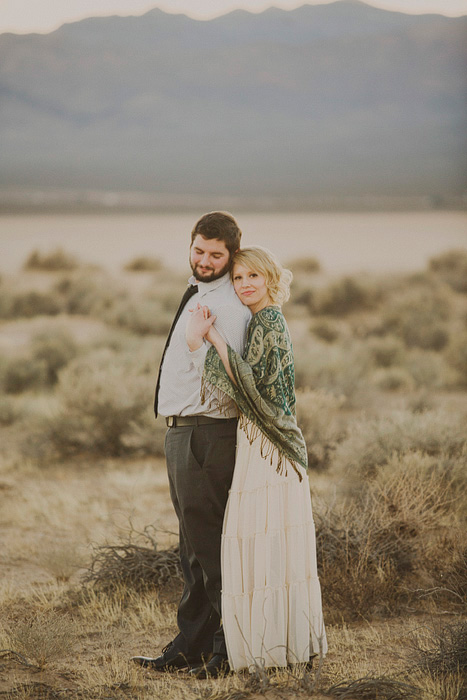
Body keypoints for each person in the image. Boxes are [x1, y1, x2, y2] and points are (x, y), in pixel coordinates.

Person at [186, 246, 327, 674]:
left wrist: (207, 341)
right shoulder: (263, 321)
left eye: (254, 277)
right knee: (261, 544)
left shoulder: (270, 321)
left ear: (270, 280)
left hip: (270, 446)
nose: (245, 285)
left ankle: (269, 648)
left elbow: (255, 389)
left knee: (261, 542)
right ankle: (270, 646)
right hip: (258, 441)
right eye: (239, 278)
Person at [131, 212, 251, 678]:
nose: (204, 260)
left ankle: (227, 652)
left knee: (212, 550)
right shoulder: (199, 293)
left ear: (232, 255)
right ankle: (190, 645)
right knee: (191, 549)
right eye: (199, 250)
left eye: (216, 255)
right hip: (181, 432)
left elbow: (230, 386)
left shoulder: (232, 307)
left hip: (207, 433)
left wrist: (200, 346)